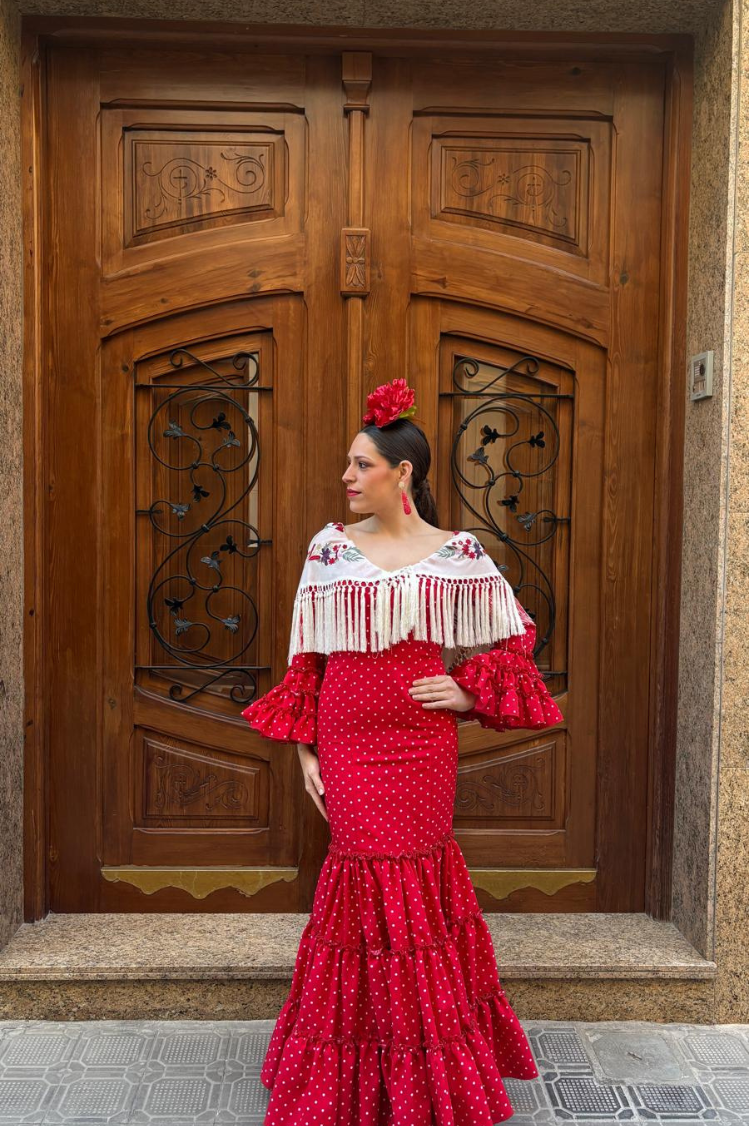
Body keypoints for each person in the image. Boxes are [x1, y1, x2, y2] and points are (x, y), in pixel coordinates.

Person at [242, 377, 564, 1125]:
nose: (347, 478)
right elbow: (306, 661)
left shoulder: (456, 554)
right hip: (349, 747)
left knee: (417, 888)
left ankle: (422, 1067)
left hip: (422, 749)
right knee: (360, 883)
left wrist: (470, 694)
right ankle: (349, 1071)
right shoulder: (329, 550)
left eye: (361, 465)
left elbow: (515, 632)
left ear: (402, 474)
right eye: (348, 465)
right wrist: (305, 753)